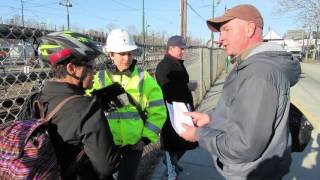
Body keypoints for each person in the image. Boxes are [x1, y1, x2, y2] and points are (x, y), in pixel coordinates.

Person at [179, 4, 301, 179]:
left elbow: (243, 146)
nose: (220, 39)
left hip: (252, 173)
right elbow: (241, 111)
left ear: (250, 28)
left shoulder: (258, 73)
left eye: (227, 30)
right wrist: (211, 118)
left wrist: (199, 135)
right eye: (220, 32)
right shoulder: (251, 67)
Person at [38, 31, 119, 180]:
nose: (94, 72)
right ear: (71, 69)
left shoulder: (37, 100)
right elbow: (107, 166)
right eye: (90, 67)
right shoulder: (87, 107)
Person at [88, 28, 167, 180]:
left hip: (133, 146)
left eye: (130, 53)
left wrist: (145, 139)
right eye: (122, 54)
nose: (127, 58)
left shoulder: (144, 78)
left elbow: (159, 111)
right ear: (111, 54)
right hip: (106, 145)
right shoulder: (98, 78)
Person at [155, 35, 198, 177]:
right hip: (172, 111)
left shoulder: (177, 62)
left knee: (187, 140)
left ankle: (171, 161)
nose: (183, 51)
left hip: (184, 109)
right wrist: (187, 86)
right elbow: (168, 90)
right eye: (181, 48)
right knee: (172, 143)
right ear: (171, 48)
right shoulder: (164, 65)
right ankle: (170, 169)